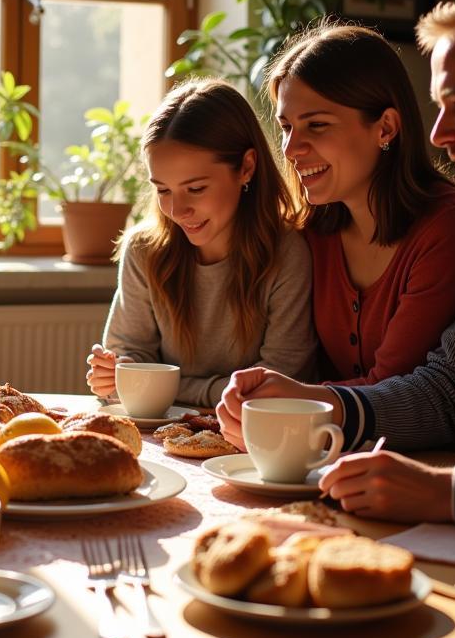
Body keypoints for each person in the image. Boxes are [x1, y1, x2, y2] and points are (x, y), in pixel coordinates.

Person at [218, 0, 455, 531]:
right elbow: (453, 388)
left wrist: (445, 493)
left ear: (386, 130)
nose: (441, 133)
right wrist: (315, 402)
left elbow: (438, 402)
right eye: (285, 126)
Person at [267, 22, 455, 384]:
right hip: (338, 441)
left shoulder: (452, 230)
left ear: (385, 128)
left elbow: (391, 387)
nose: (291, 149)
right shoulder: (308, 233)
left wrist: (288, 400)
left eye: (317, 125)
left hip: (440, 444)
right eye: (287, 127)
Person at [86, 78, 317, 408]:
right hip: (161, 433)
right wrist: (113, 373)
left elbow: (277, 384)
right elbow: (125, 368)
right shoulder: (144, 251)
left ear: (246, 168)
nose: (177, 210)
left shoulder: (287, 254)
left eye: (195, 189)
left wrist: (159, 384)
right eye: (163, 190)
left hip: (251, 437)